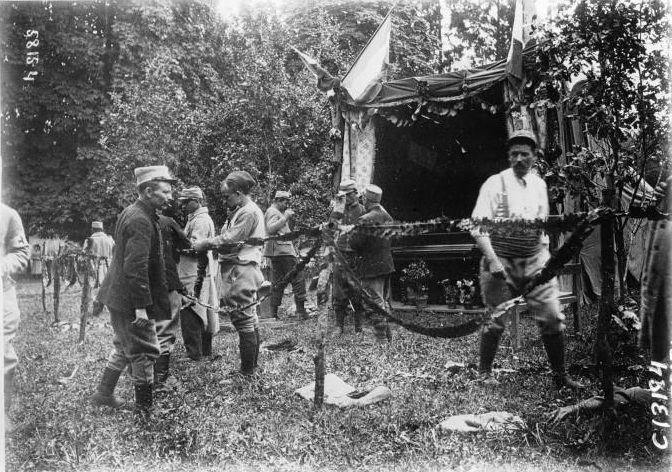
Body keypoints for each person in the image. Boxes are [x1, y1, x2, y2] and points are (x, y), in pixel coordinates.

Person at [471, 129, 582, 389]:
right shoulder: (494, 184)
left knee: (552, 316)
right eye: (514, 154)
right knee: (496, 319)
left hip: (534, 260)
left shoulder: (539, 184)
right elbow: (477, 227)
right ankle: (484, 372)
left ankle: (560, 376)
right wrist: (494, 260)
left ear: (534, 156)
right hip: (500, 261)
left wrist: (546, 258)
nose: (519, 159)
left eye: (525, 154)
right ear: (508, 157)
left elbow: (542, 225)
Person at [90, 165, 175, 419]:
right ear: (149, 191)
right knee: (144, 352)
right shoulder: (140, 219)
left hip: (118, 296)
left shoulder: (135, 212)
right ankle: (144, 410)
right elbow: (135, 266)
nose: (170, 197)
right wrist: (141, 307)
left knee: (123, 346)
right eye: (166, 192)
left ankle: (104, 394)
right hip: (130, 300)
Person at [193, 171, 265, 378]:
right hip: (241, 267)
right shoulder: (241, 210)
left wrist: (204, 243)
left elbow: (230, 242)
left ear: (239, 193)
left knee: (243, 319)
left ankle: (247, 372)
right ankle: (250, 369)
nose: (225, 200)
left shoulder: (248, 212)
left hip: (241, 268)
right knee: (249, 318)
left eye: (227, 196)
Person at [349, 184, 395, 342]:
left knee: (373, 303)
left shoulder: (365, 219)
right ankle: (387, 336)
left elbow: (354, 243)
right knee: (382, 301)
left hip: (370, 267)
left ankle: (380, 339)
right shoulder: (387, 216)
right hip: (385, 265)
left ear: (365, 199)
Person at [177, 187, 218, 361]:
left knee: (191, 311)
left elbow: (195, 247)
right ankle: (203, 351)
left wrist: (176, 244)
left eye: (187, 201)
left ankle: (194, 352)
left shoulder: (200, 220)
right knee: (201, 310)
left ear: (197, 201)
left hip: (194, 272)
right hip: (196, 271)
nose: (183, 205)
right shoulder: (195, 218)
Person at [2, 204, 30, 433]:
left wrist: (3, 265)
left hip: (1, 292)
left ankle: (2, 413)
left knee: (4, 356)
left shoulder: (7, 214)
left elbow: (22, 253)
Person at [155, 211, 190, 390]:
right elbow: (186, 243)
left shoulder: (130, 217)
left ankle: (145, 374)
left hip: (140, 284)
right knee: (165, 330)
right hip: (166, 280)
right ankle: (161, 378)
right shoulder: (167, 222)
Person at [264, 190, 308, 320]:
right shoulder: (273, 211)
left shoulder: (276, 212)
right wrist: (286, 217)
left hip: (277, 251)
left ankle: (273, 314)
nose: (287, 204)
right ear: (277, 200)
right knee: (298, 278)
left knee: (278, 282)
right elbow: (271, 228)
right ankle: (300, 312)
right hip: (283, 251)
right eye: (285, 201)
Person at [329, 179, 366, 334]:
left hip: (356, 256)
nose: (346, 198)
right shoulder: (338, 210)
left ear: (355, 194)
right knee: (339, 292)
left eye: (348, 195)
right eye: (343, 196)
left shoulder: (363, 211)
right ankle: (339, 326)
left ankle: (359, 326)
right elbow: (330, 229)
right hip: (340, 254)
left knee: (357, 291)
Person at [85, 220, 115, 317]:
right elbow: (114, 252)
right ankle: (105, 307)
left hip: (95, 265)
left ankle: (97, 306)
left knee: (94, 286)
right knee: (107, 286)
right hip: (108, 266)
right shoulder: (110, 239)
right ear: (102, 229)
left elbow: (84, 255)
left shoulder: (89, 240)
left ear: (93, 229)